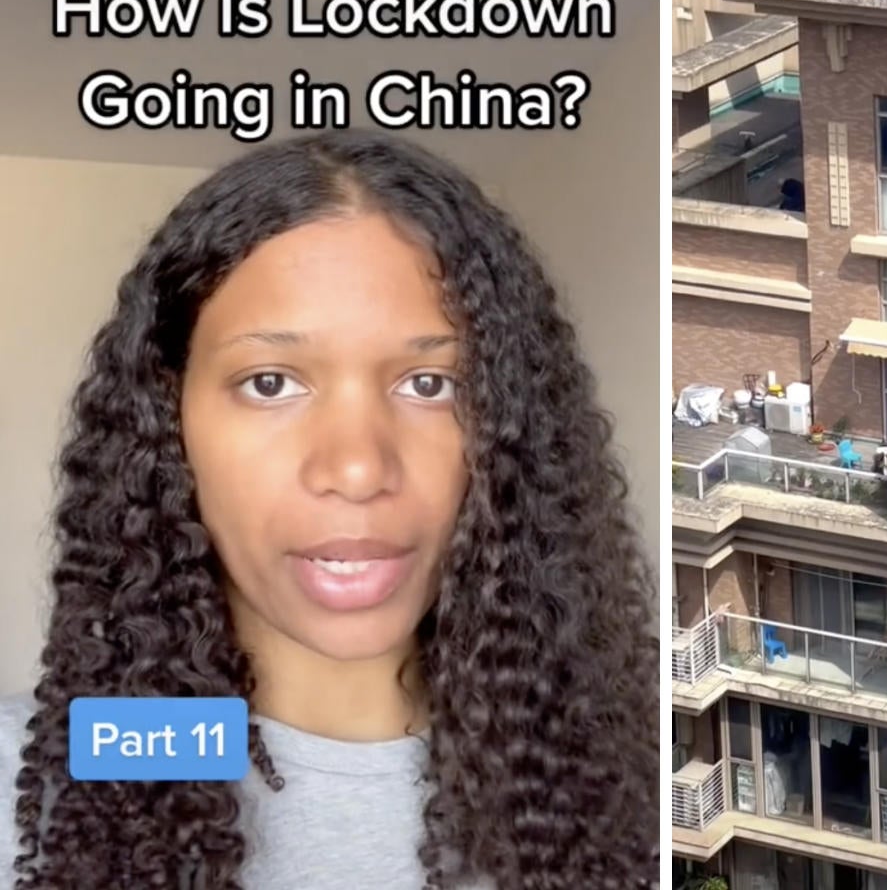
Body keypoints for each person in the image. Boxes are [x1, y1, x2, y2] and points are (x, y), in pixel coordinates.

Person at [3, 132, 660, 889]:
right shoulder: (59, 776)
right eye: (272, 382)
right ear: (166, 419)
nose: (356, 469)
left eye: (431, 384)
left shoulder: (612, 792)